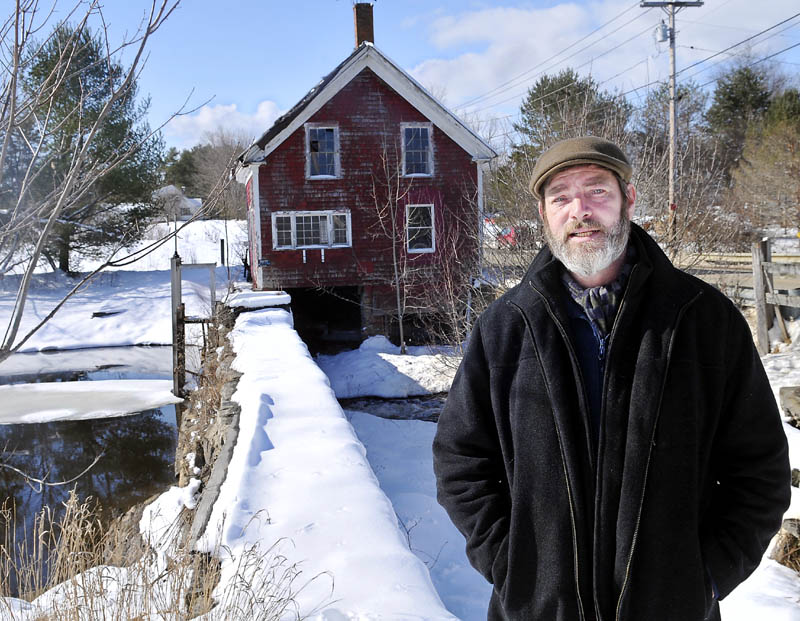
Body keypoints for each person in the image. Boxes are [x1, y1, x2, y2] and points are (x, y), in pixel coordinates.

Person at [432, 136, 791, 621]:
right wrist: (513, 567)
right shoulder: (507, 326)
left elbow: (760, 469)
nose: (580, 210)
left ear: (628, 199)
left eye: (597, 190)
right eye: (561, 196)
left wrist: (704, 575)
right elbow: (461, 461)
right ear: (544, 213)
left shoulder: (701, 320)